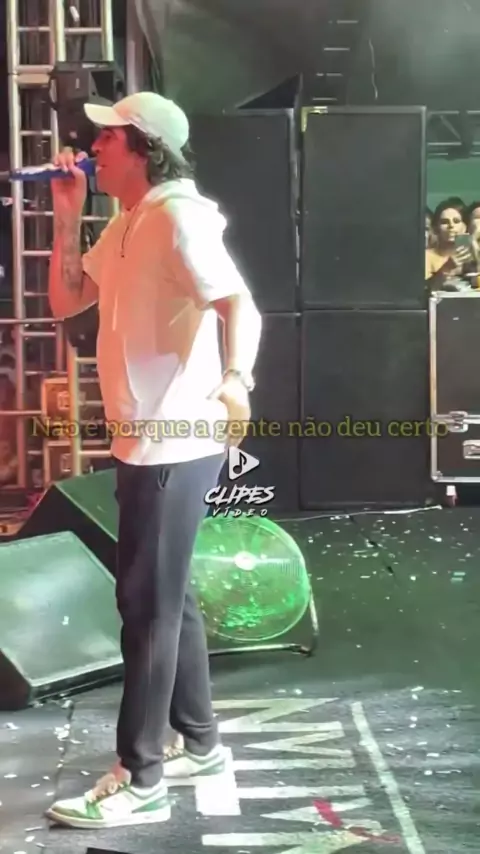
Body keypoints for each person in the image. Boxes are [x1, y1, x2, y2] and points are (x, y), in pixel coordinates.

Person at [45, 91, 262, 829]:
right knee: (166, 599)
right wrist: (69, 216)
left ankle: (141, 778)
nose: (92, 148)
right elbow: (67, 301)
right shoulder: (131, 220)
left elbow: (239, 304)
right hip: (145, 439)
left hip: (176, 439)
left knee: (146, 607)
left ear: (144, 147)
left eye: (107, 138)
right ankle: (198, 743)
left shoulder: (177, 216)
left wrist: (237, 379)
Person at [425, 197, 474, 287]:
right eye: (444, 222)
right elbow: (424, 289)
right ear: (436, 228)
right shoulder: (427, 257)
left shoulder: (473, 255)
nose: (451, 225)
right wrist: (447, 268)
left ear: (465, 226)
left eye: (456, 221)